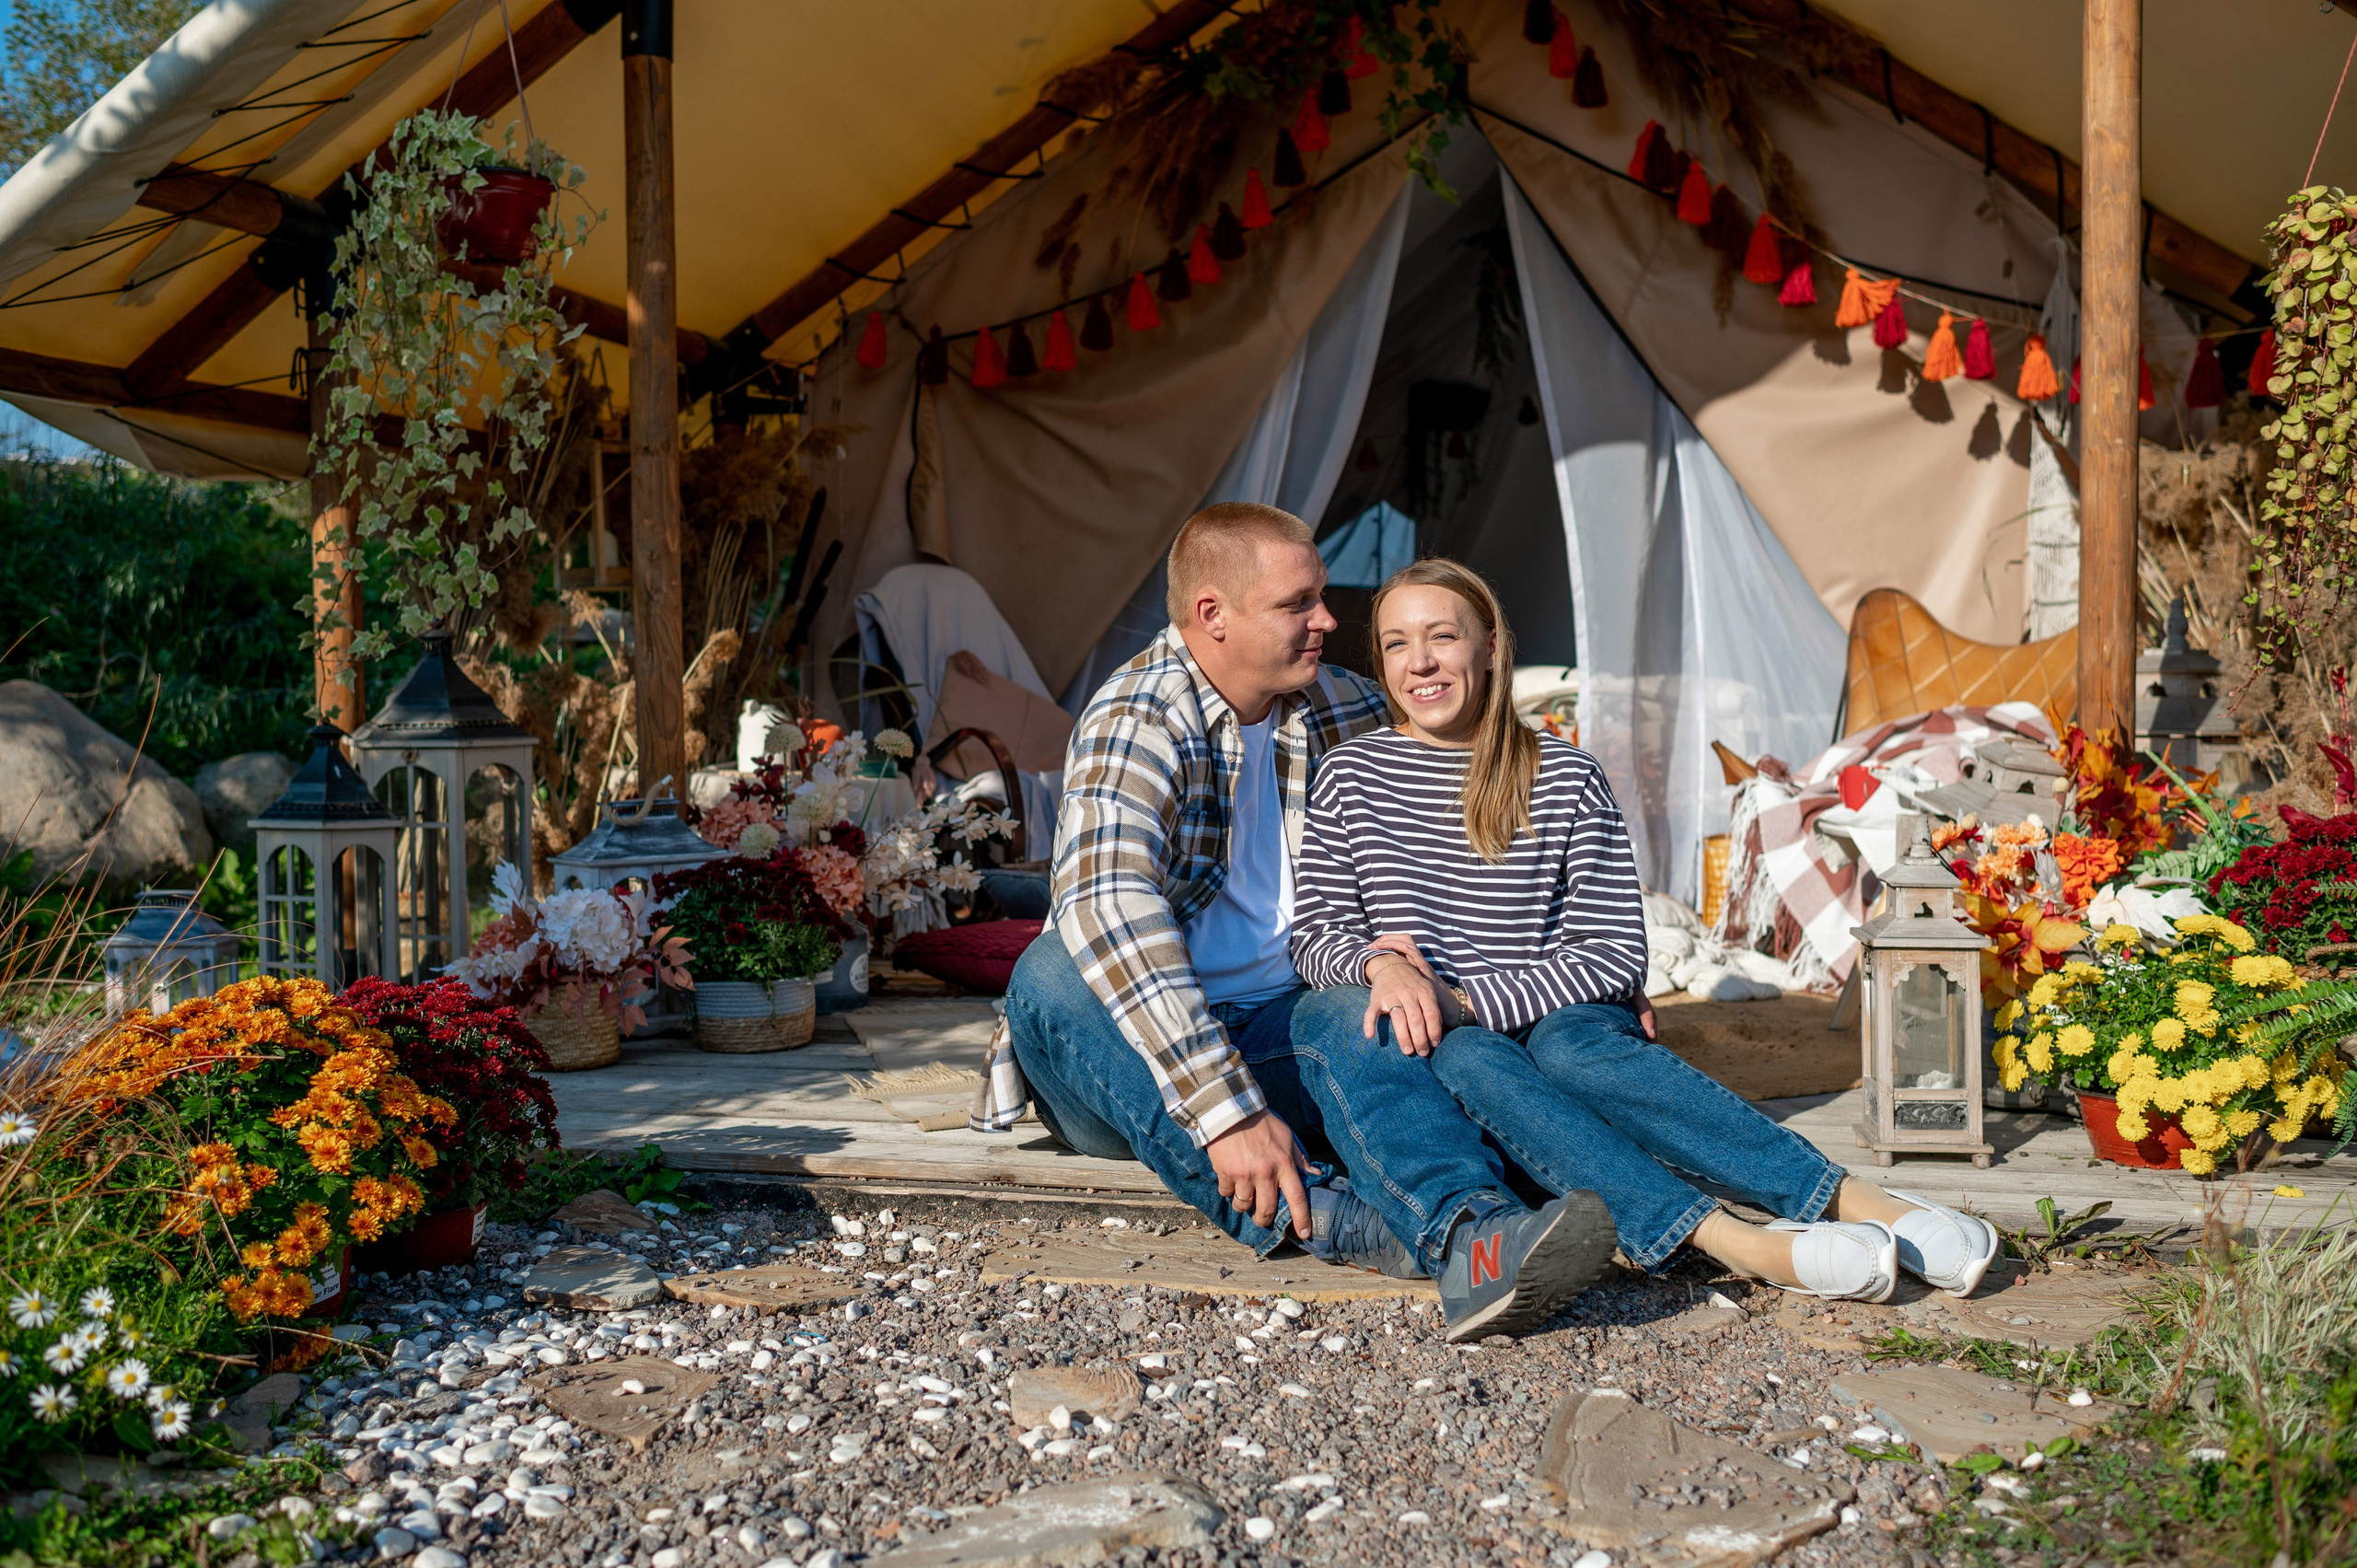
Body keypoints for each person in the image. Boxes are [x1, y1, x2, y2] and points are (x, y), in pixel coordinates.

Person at [977, 504, 1620, 1341]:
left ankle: (1475, 1236)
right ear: (1213, 614)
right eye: (1298, 603)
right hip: (1130, 1058)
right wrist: (1228, 1112)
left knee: (1362, 1005)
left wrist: (1589, 966)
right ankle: (1336, 1219)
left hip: (1282, 1025)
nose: (1328, 619)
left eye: (1319, 596)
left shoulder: (1339, 704)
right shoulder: (1138, 717)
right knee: (1054, 969)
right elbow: (1111, 906)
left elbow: (1480, 792)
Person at [1288, 558, 2001, 1302]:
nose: (1420, 662)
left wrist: (1470, 1000)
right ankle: (1737, 1240)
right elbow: (1315, 935)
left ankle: (1848, 1197)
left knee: (1568, 1047)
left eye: (1442, 636)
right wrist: (1381, 966)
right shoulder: (1350, 774)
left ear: (1490, 646)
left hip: (1557, 1018)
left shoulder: (1563, 774)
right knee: (1467, 1054)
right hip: (1451, 1040)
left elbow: (1613, 952)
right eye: (1397, 643)